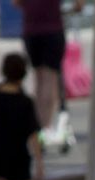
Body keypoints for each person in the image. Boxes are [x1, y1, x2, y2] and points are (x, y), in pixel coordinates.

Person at [14, 0, 82, 131]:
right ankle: (46, 126)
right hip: (52, 29)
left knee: (38, 80)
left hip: (31, 30)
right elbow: (79, 5)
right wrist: (65, 10)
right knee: (50, 80)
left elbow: (16, 3)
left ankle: (37, 124)